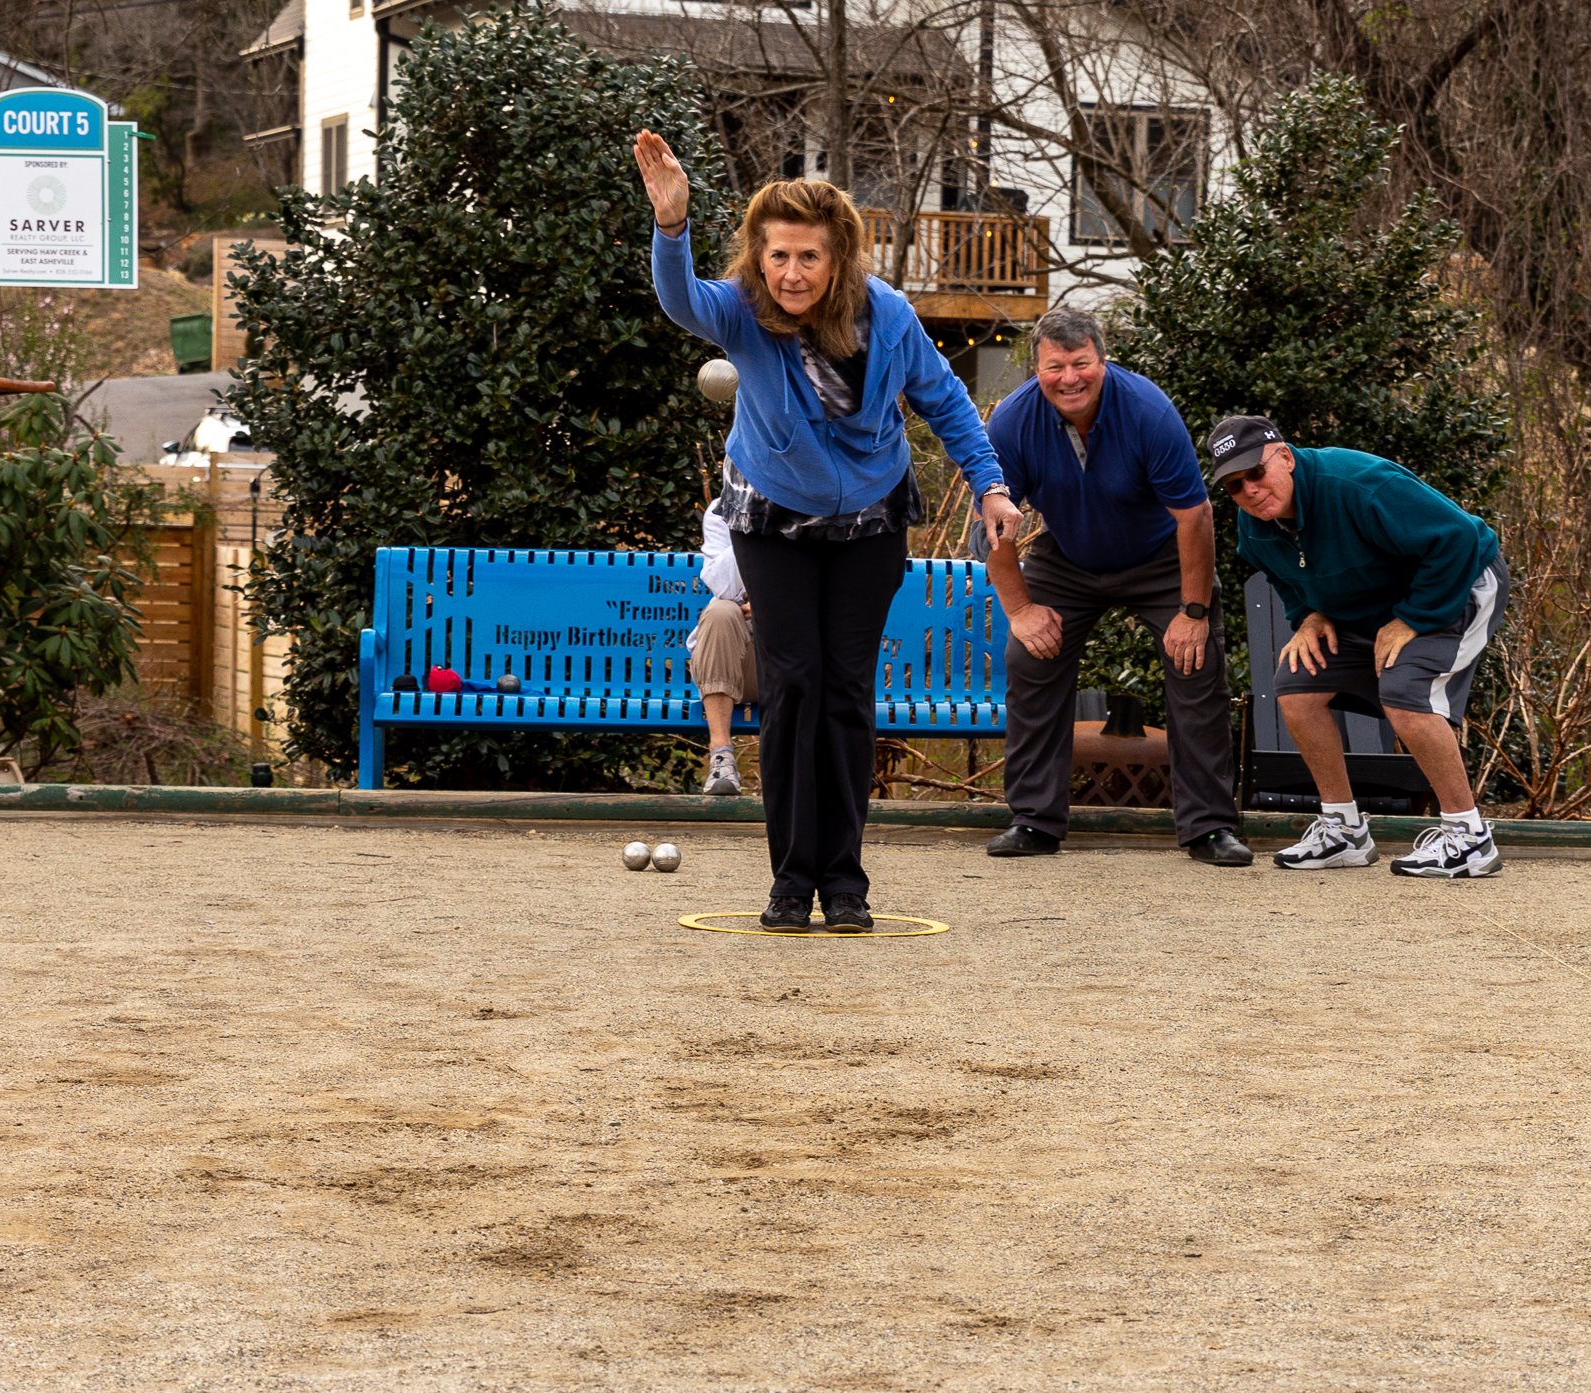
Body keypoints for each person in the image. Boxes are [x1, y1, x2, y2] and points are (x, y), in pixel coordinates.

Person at [634, 131, 1020, 929]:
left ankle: (844, 881)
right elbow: (681, 303)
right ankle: (789, 879)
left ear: (838, 257)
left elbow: (946, 401)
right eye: (778, 256)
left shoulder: (888, 316)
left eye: (808, 257)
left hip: (869, 522)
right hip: (773, 521)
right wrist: (671, 227)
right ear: (760, 257)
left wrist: (989, 485)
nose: (792, 273)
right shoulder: (743, 309)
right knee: (793, 686)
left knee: (845, 691)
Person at [982, 308, 1249, 866]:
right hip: (1070, 554)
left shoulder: (1149, 412)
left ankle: (1209, 827)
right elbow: (997, 524)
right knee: (1029, 658)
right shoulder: (1011, 421)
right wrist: (1021, 609)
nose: (1069, 378)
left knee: (1195, 664)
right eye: (1055, 366)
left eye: (1081, 363)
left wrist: (1193, 610)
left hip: (1159, 556)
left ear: (1102, 361)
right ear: (1036, 369)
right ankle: (1034, 820)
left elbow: (1195, 517)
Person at [1209, 416, 1508, 877]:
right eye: (1233, 485)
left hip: (1459, 584)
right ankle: (1344, 830)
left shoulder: (1358, 483)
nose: (1249, 489)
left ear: (1285, 457)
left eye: (1256, 472)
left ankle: (1470, 837)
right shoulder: (1257, 525)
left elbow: (1458, 539)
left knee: (1405, 691)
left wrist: (1411, 618)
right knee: (1296, 686)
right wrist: (1308, 616)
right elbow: (1285, 577)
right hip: (1374, 609)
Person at [690, 499, 755, 796]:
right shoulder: (722, 510)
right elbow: (725, 588)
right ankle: (721, 757)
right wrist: (749, 523)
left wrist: (771, 602)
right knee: (720, 611)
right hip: (737, 666)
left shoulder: (809, 504)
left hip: (794, 658)